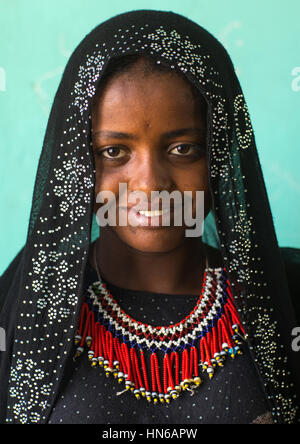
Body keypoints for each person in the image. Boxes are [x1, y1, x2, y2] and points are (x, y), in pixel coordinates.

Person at [0, 10, 299, 425]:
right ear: (77, 162)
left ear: (220, 158)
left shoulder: (284, 300)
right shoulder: (27, 305)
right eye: (114, 152)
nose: (149, 184)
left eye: (183, 149)